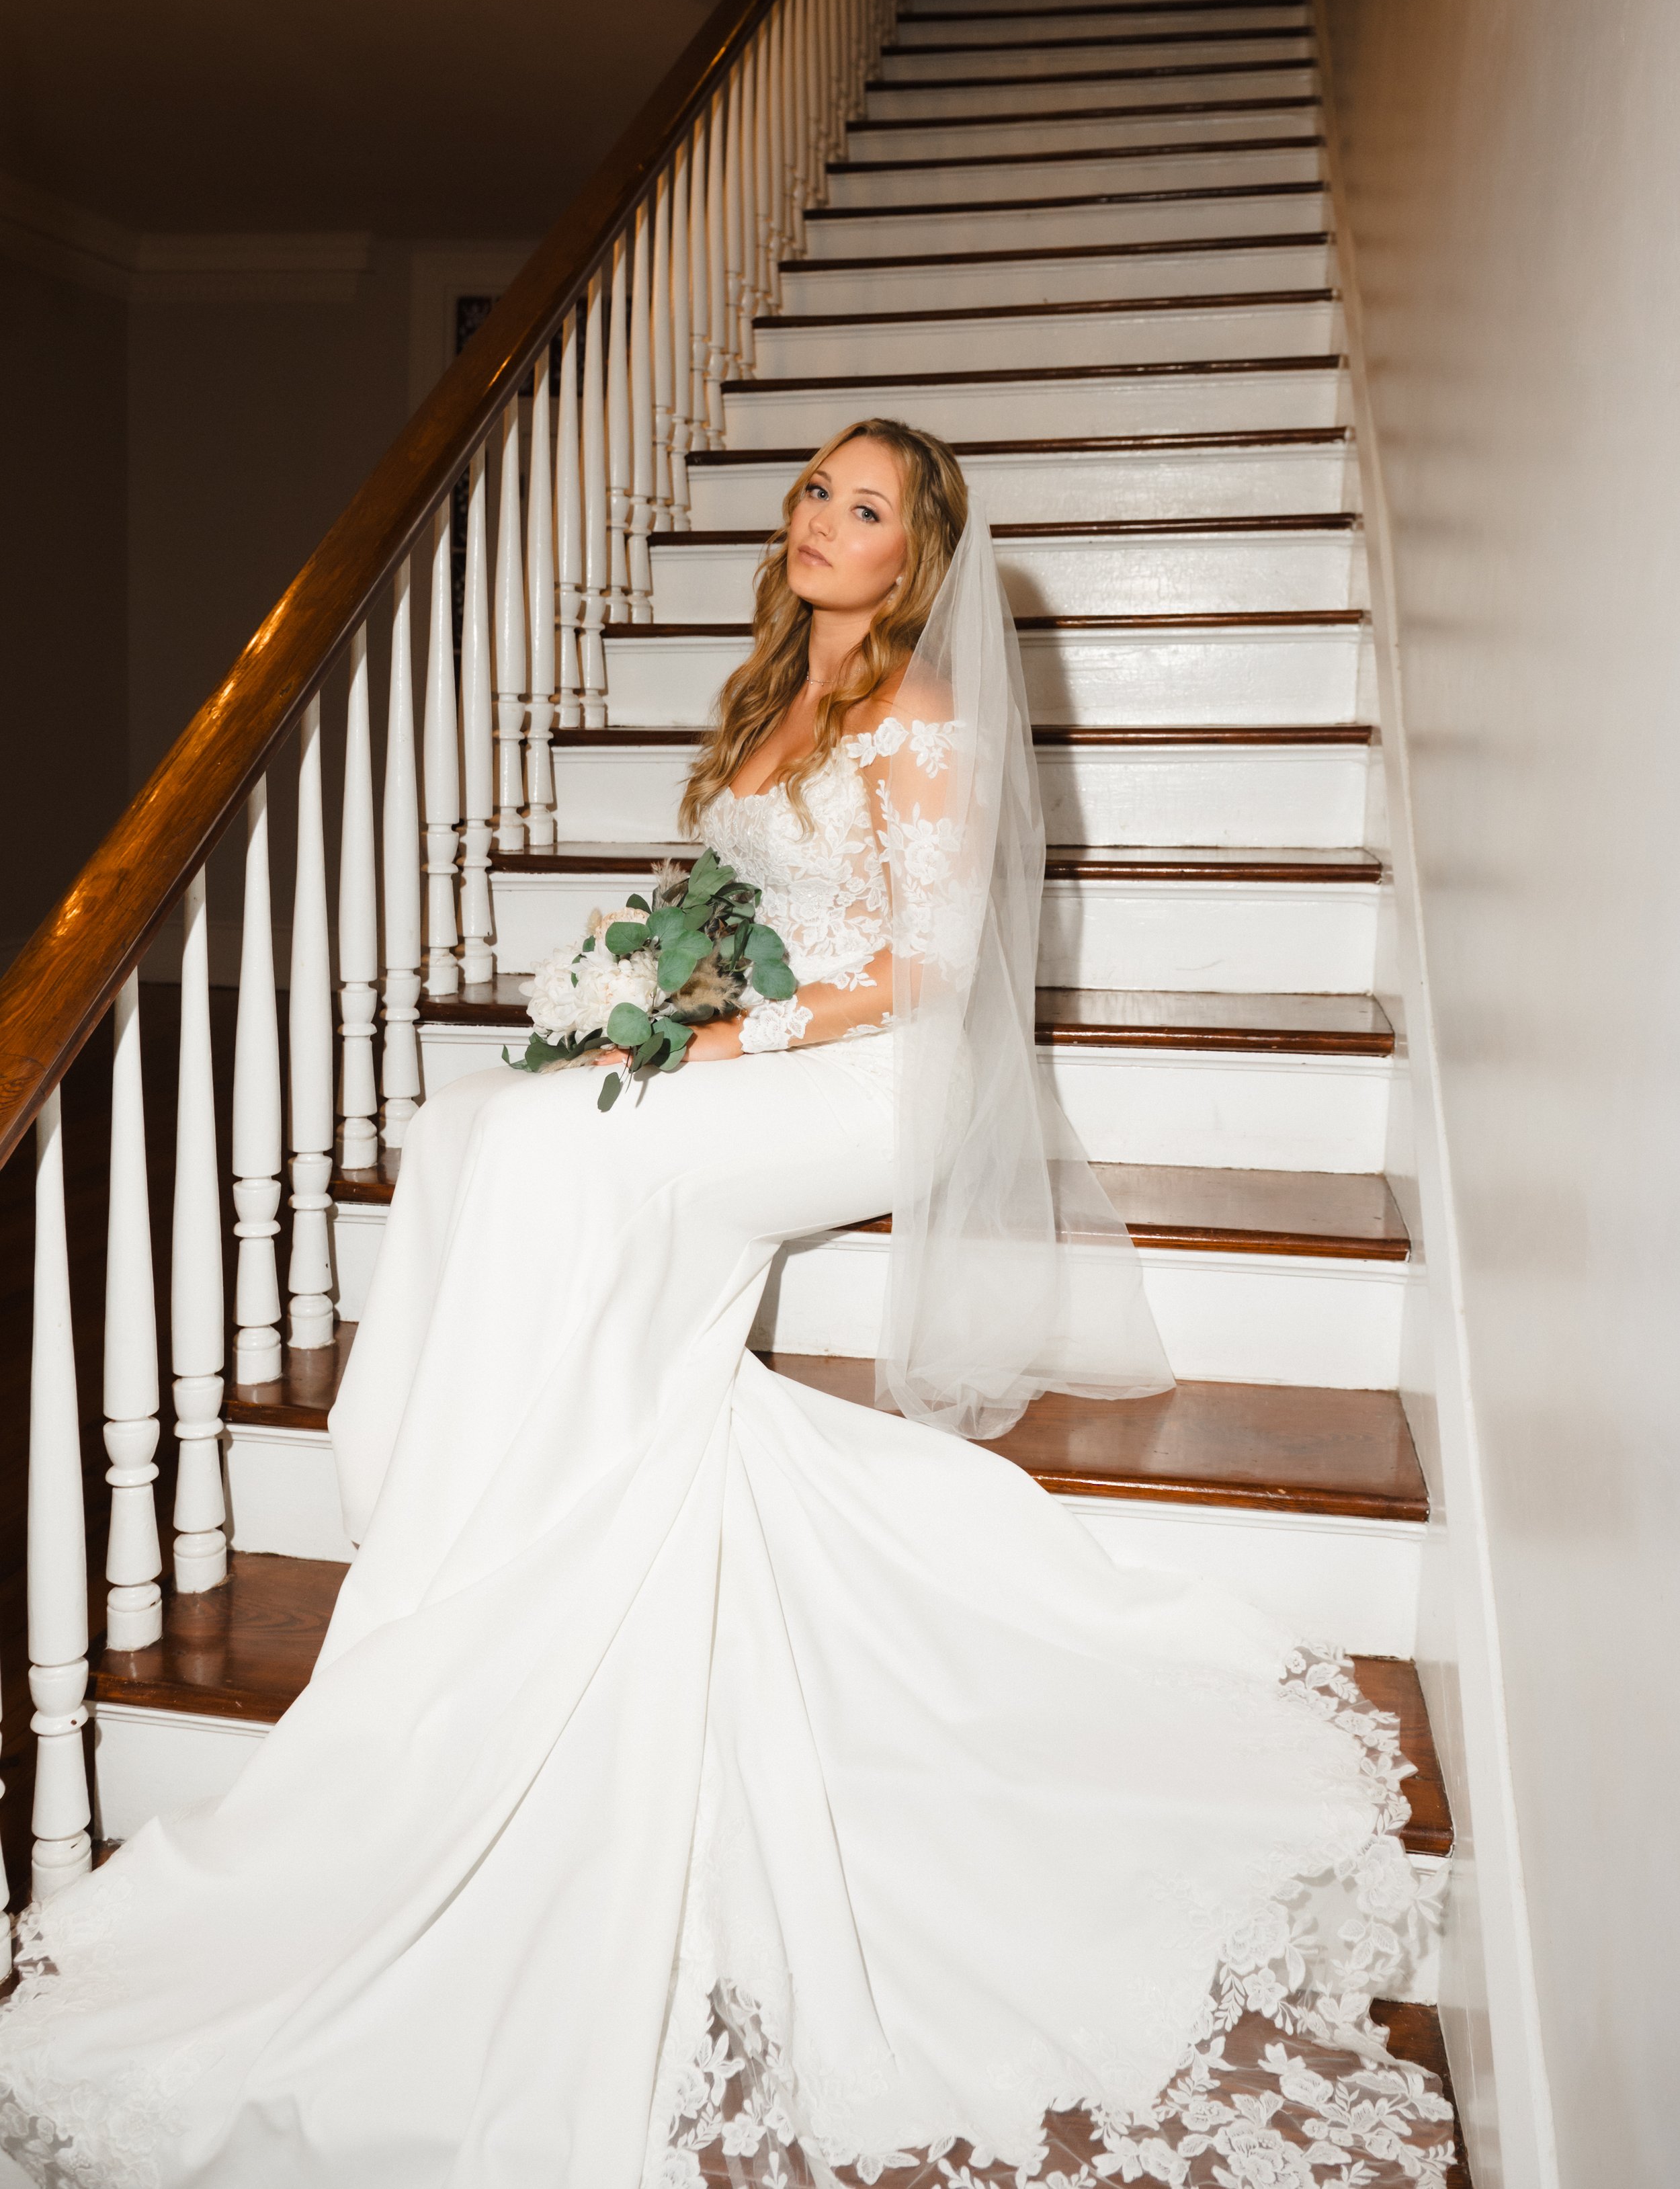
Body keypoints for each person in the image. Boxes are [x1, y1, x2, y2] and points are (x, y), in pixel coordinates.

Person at [0, 420, 1456, 2188]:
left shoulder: (918, 712)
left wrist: (716, 1032)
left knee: (553, 1163)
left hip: (871, 1077)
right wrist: (643, 980)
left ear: (915, 553)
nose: (820, 522)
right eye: (813, 494)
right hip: (767, 1042)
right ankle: (472, 1485)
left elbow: (921, 963)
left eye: (864, 507)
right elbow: (738, 903)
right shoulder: (779, 693)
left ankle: (500, 1504)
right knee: (472, 1126)